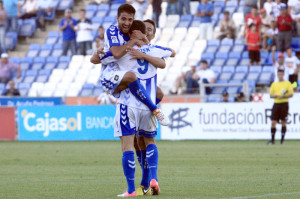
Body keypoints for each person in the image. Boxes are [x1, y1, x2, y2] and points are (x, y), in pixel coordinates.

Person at [100, 20, 172, 197]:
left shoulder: (126, 51)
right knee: (147, 142)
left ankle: (132, 189)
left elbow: (101, 58)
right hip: (148, 107)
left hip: (129, 104)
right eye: (145, 30)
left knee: (128, 146)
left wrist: (99, 54)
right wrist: (146, 48)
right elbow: (169, 57)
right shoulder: (155, 50)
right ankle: (151, 180)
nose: (147, 33)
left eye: (150, 31)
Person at [90, 4, 173, 126]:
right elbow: (105, 56)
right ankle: (154, 109)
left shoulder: (142, 43)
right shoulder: (116, 33)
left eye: (130, 20)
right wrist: (134, 41)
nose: (127, 23)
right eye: (123, 19)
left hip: (130, 77)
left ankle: (143, 112)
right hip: (111, 75)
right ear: (117, 18)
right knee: (131, 77)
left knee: (158, 92)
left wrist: (143, 45)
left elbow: (165, 59)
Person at [268, 68, 293, 145]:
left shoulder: (288, 83)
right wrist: (274, 95)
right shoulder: (274, 84)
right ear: (277, 75)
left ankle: (282, 141)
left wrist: (284, 96)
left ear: (283, 75)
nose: (280, 76)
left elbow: (291, 94)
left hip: (284, 104)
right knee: (273, 122)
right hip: (276, 104)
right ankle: (272, 140)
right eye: (279, 74)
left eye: (281, 74)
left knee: (283, 122)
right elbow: (271, 95)